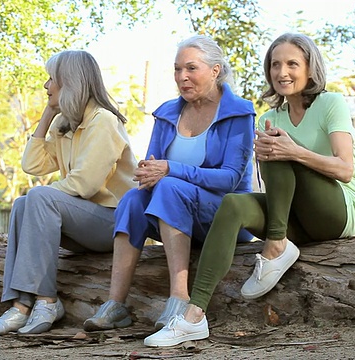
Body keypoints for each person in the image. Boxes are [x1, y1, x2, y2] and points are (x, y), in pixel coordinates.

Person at [143, 32, 355, 347]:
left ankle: (275, 245)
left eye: (292, 64)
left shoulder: (331, 103)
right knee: (233, 204)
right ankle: (193, 315)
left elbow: (345, 169)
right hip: (294, 217)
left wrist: (293, 151)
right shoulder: (270, 117)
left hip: (337, 212)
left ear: (310, 69)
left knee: (274, 145)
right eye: (275, 64)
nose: (282, 72)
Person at [83, 35, 256, 332]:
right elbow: (155, 165)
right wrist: (147, 172)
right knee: (132, 199)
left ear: (215, 70)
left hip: (224, 217)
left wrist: (169, 170)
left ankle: (179, 297)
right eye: (177, 70)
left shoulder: (239, 112)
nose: (182, 77)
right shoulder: (166, 113)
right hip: (176, 213)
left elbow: (230, 179)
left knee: (169, 186)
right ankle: (115, 304)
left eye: (191, 68)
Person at [0, 50, 137, 335]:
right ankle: (21, 306)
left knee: (38, 198)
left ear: (71, 82)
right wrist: (49, 113)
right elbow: (32, 164)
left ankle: (48, 300)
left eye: (52, 79)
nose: (46, 85)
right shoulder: (65, 124)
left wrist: (45, 200)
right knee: (24, 203)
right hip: (82, 221)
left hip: (116, 224)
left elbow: (85, 185)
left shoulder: (103, 121)